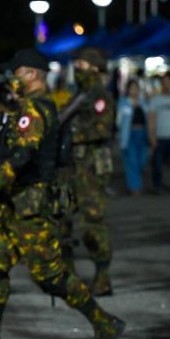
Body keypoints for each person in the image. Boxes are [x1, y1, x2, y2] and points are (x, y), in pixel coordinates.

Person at [0, 49, 125, 339]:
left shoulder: (35, 109)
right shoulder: (25, 109)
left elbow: (22, 156)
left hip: (30, 205)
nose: (11, 80)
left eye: (15, 73)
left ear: (32, 74)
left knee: (51, 275)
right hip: (12, 203)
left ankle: (104, 323)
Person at [58, 48, 116, 295]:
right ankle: (67, 274)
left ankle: (102, 275)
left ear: (94, 68)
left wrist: (73, 135)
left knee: (93, 223)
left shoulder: (100, 96)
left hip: (90, 167)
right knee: (62, 219)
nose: (77, 69)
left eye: (80, 65)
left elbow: (102, 129)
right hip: (69, 166)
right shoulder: (78, 95)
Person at [117, 79, 149, 196]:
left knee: (142, 160)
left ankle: (135, 183)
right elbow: (119, 121)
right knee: (132, 161)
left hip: (142, 133)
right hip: (129, 134)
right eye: (132, 88)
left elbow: (149, 116)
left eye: (136, 88)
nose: (134, 90)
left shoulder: (143, 102)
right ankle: (135, 187)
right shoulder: (123, 103)